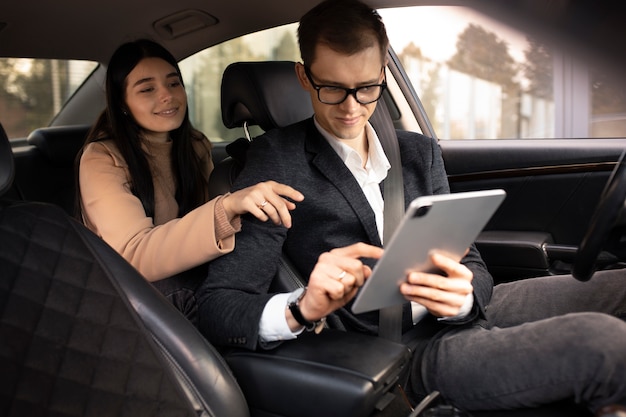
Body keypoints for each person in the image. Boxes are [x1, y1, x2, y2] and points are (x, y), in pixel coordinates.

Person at [196, 0, 626, 414]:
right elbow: (219, 306)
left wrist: (463, 297)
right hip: (398, 351)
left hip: (455, 314)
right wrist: (300, 307)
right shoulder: (274, 164)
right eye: (332, 89)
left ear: (383, 74)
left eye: (367, 88)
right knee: (604, 344)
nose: (351, 107)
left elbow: (471, 260)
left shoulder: (417, 153)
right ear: (304, 77)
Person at [77, 39, 303, 322]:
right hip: (131, 294)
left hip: (191, 274)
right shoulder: (102, 158)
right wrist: (227, 208)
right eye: (147, 89)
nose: (167, 96)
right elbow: (131, 255)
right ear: (122, 103)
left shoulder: (195, 146)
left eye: (173, 83)